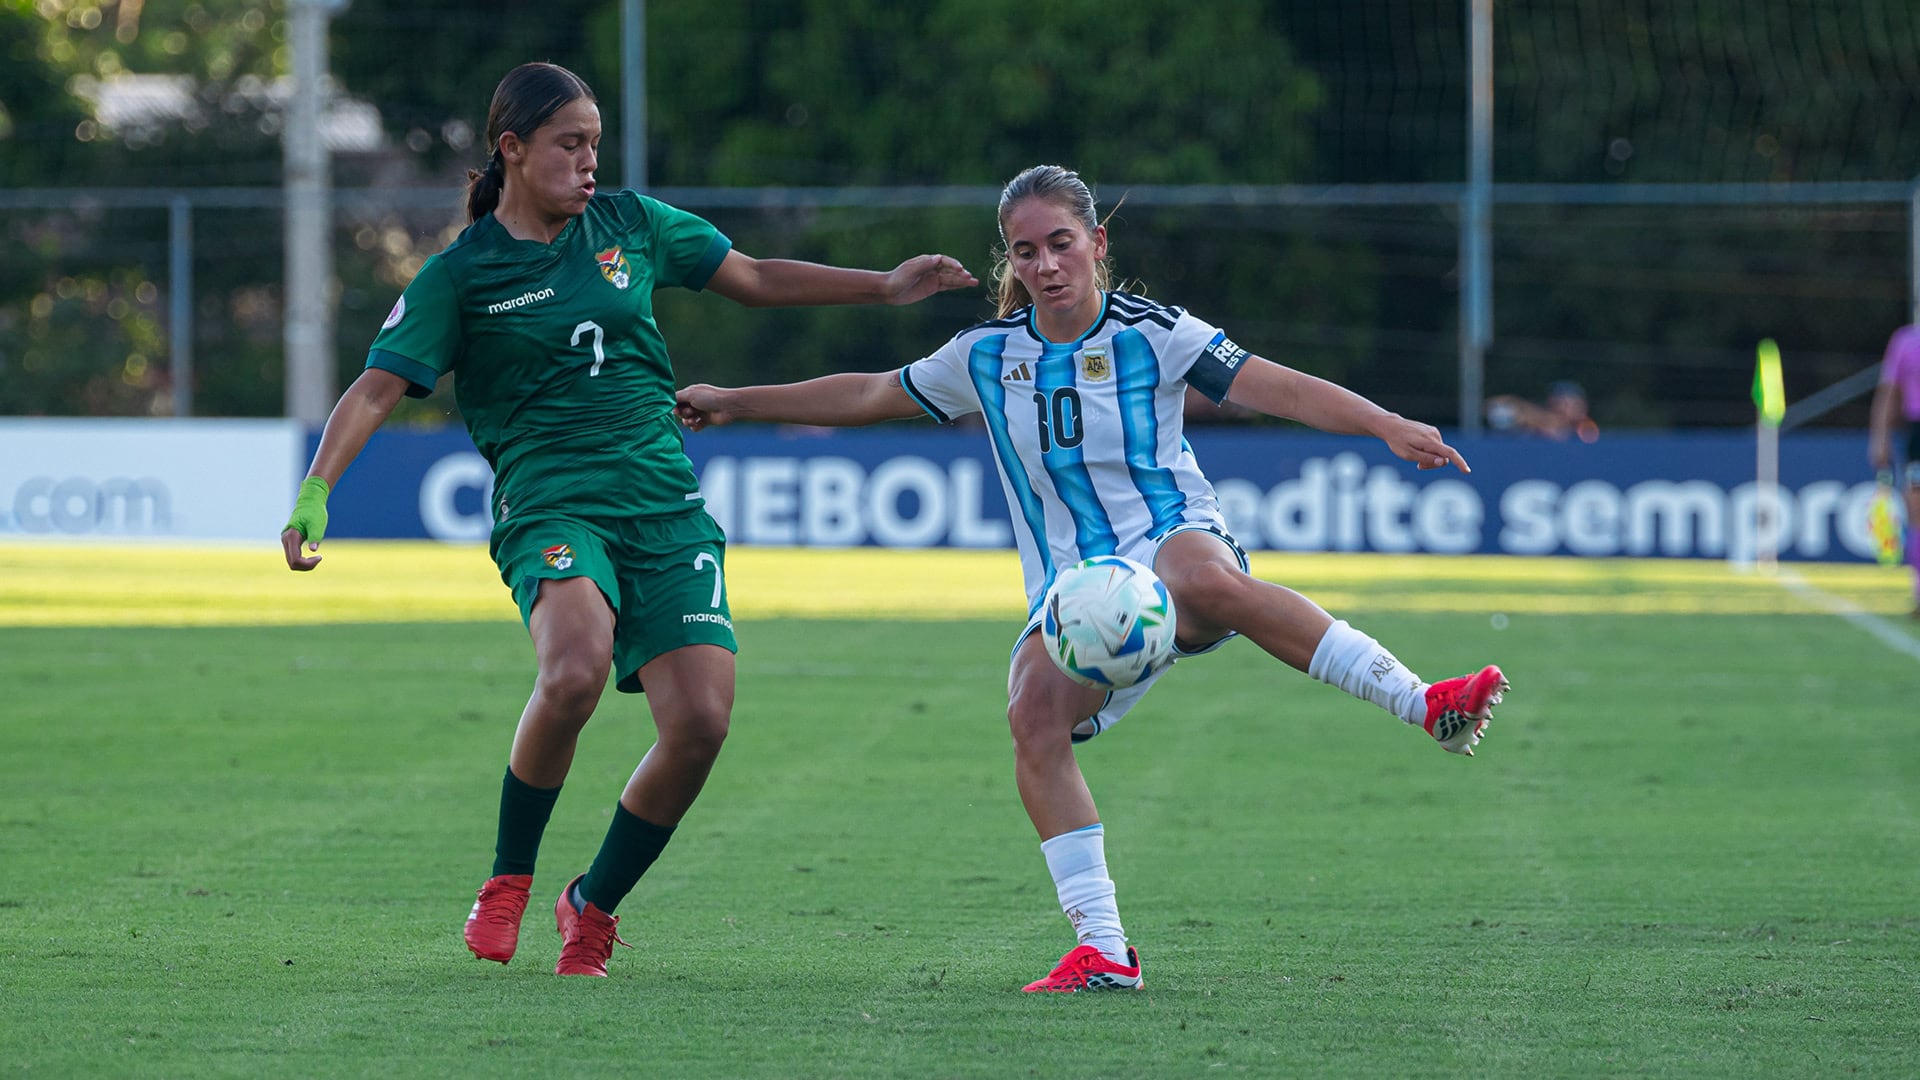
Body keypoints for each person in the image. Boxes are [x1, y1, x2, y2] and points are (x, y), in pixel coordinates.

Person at [674, 164, 1510, 993]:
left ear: (1097, 243)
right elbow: (867, 394)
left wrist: (1385, 424)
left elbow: (1279, 388)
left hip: (1171, 535)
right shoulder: (986, 354)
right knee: (1031, 717)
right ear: (1010, 260)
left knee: (1205, 580)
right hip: (1071, 590)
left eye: (1061, 243)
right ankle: (1104, 949)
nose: (1045, 265)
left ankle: (1426, 704)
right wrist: (737, 402)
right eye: (1025, 251)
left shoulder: (1158, 333)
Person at [279, 62, 976, 978]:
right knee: (573, 670)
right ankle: (508, 879)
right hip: (551, 502)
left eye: (595, 145)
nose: (589, 162)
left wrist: (883, 287)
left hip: (662, 504)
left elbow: (754, 276)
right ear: (512, 149)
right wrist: (315, 493)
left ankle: (592, 903)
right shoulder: (462, 276)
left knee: (702, 723)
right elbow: (376, 389)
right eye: (569, 144)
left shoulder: (633, 225)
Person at [1869, 323, 1920, 614]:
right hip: (1918, 436)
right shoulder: (1906, 340)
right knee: (1917, 512)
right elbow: (1889, 392)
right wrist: (1880, 438)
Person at [1485, 380, 1599, 442]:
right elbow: (1493, 408)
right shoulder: (1532, 425)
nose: (1564, 407)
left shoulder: (1585, 429)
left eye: (1573, 403)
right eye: (1559, 401)